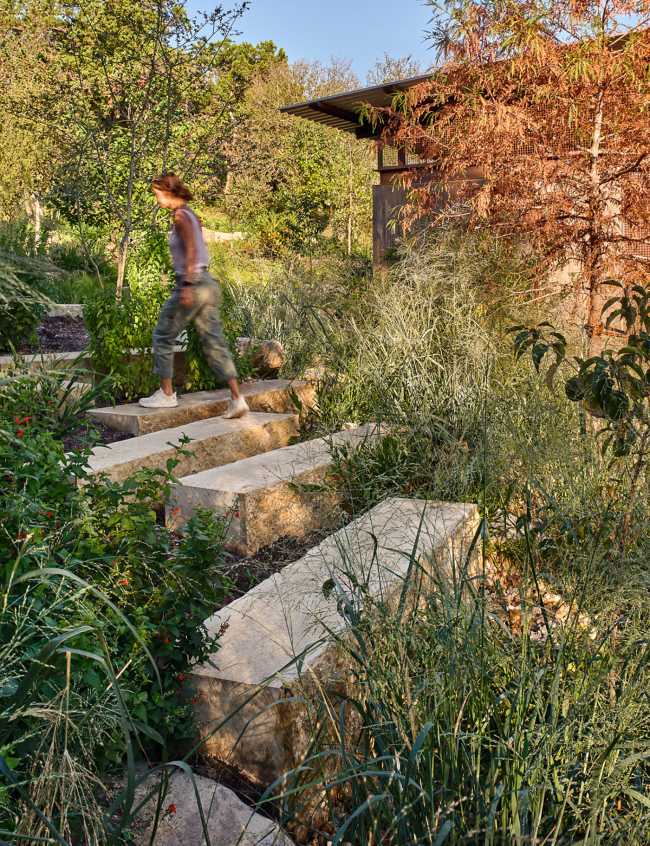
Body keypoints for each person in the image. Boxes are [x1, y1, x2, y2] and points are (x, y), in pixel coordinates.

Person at [139, 174, 249, 418]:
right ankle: (237, 399)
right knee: (214, 342)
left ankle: (166, 394)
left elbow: (191, 250)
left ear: (169, 192)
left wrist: (187, 285)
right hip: (207, 283)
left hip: (193, 283)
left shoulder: (180, 216)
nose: (156, 199)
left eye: (157, 194)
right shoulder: (191, 214)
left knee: (163, 334)